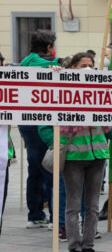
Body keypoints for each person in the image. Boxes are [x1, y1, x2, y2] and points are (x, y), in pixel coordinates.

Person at [39, 53, 110, 252]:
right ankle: (74, 248)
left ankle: (88, 246)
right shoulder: (64, 92)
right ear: (73, 69)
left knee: (93, 205)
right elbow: (65, 125)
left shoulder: (100, 90)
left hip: (98, 155)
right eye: (82, 66)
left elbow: (106, 126)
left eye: (90, 66)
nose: (87, 69)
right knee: (72, 205)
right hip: (74, 157)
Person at [19, 30, 57, 229]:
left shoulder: (23, 64)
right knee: (51, 168)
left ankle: (35, 215)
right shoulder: (54, 66)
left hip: (25, 124)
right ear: (50, 47)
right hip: (45, 125)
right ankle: (54, 217)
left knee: (34, 169)